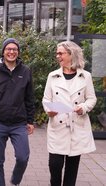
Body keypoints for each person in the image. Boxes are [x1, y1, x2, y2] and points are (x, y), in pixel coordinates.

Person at [0, 38, 35, 186]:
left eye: (14, 49)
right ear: (3, 52)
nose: (11, 52)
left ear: (18, 52)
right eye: (8, 49)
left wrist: (30, 121)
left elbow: (29, 98)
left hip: (19, 124)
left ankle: (15, 181)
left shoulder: (26, 71)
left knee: (23, 157)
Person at [42, 41, 97, 186]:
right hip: (57, 127)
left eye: (60, 53)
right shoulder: (52, 76)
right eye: (57, 53)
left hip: (77, 128)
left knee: (72, 170)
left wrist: (83, 107)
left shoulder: (85, 76)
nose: (57, 56)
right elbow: (46, 99)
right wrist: (50, 110)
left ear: (71, 54)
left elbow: (91, 98)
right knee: (55, 165)